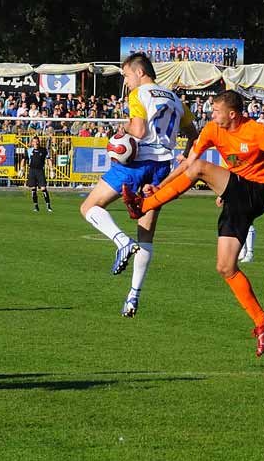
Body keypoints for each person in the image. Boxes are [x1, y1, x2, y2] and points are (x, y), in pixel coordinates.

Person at [121, 90, 264, 356]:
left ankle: (142, 207)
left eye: (216, 110)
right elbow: (188, 164)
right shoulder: (211, 130)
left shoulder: (255, 131)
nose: (212, 114)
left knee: (201, 170)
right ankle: (262, 320)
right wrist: (159, 186)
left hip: (256, 193)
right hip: (235, 196)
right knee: (225, 266)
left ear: (232, 114)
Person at [79, 52, 198, 318]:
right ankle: (133, 296)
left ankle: (121, 242)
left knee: (89, 207)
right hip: (161, 170)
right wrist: (187, 157)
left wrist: (121, 133)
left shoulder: (139, 95)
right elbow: (194, 134)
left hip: (137, 163)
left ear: (140, 72)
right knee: (146, 235)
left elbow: (140, 131)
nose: (126, 82)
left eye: (126, 76)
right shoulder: (176, 99)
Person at [26, 136, 53, 212]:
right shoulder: (29, 150)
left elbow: (48, 159)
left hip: (40, 171)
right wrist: (21, 169)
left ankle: (48, 206)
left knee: (43, 189)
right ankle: (36, 206)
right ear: (32, 143)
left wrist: (51, 170)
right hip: (32, 171)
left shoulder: (44, 150)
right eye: (34, 141)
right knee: (33, 189)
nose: (36, 143)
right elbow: (24, 159)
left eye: (37, 141)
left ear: (39, 142)